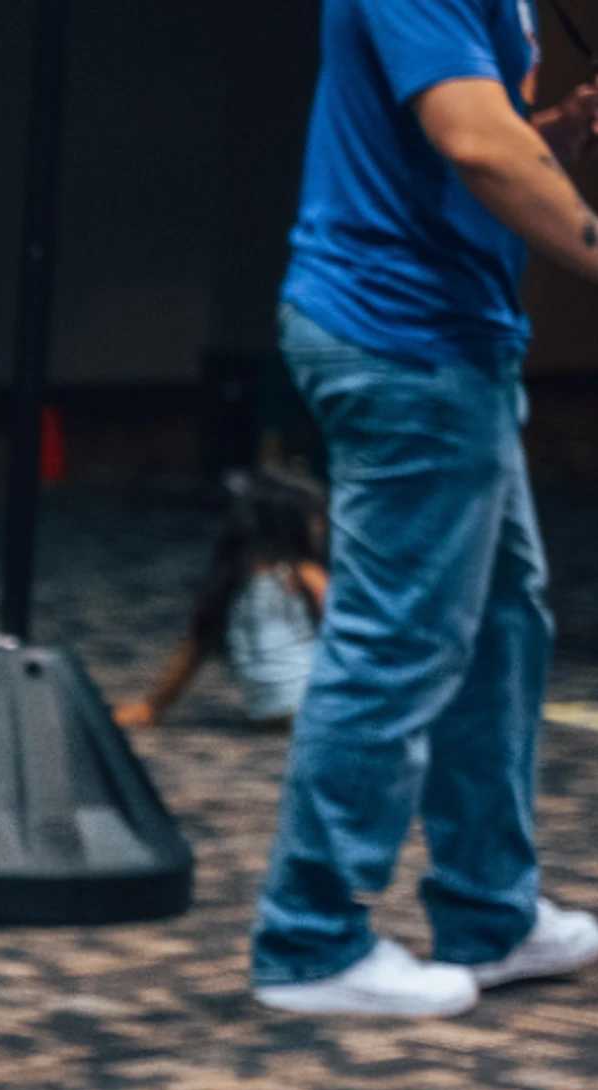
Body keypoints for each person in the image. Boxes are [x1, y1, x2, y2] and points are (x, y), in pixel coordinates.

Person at [251, 0, 598, 1017]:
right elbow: (474, 145)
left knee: (498, 628)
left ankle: (492, 913)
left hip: (451, 343)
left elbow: (466, 144)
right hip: (404, 343)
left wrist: (552, 139)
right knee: (396, 637)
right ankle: (308, 941)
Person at [116, 469, 327, 731]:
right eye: (316, 519)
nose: (323, 528)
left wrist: (152, 706)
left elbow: (193, 651)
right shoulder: (304, 574)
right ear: (293, 525)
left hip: (263, 712)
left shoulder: (231, 581)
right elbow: (347, 629)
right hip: (312, 708)